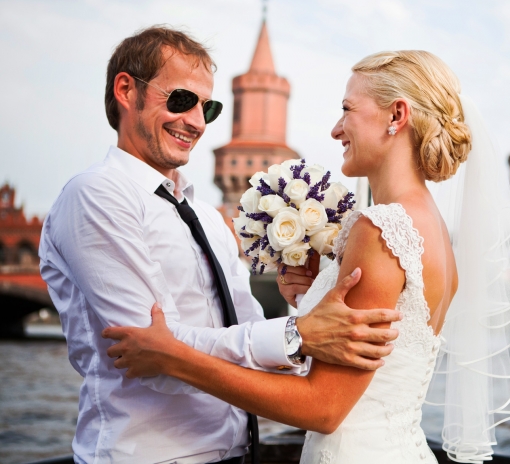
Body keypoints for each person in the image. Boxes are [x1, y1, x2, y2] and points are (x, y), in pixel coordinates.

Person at [105, 50, 510, 463]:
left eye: (347, 110)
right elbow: (379, 362)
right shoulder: (430, 229)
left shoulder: (380, 230)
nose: (336, 130)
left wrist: (173, 358)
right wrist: (313, 296)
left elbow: (323, 409)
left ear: (397, 116)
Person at [39, 26, 402, 464]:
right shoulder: (96, 196)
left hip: (237, 454)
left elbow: (244, 337)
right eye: (180, 100)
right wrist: (298, 334)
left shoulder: (209, 218)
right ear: (126, 91)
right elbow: (153, 356)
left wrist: (308, 309)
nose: (196, 122)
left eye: (207, 107)